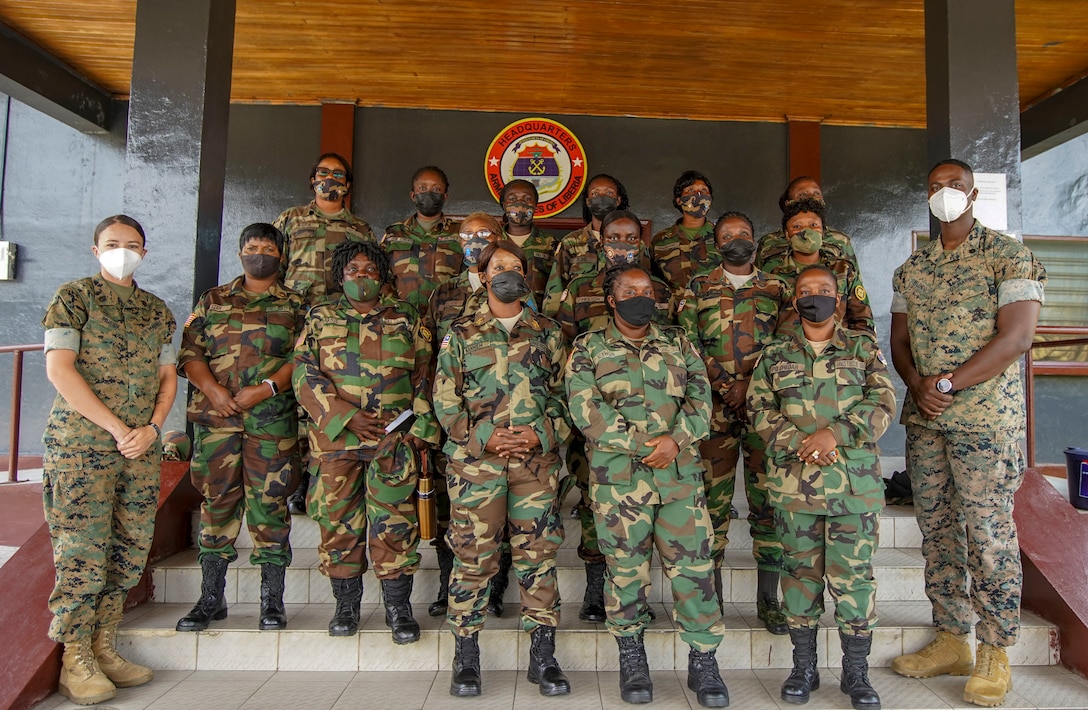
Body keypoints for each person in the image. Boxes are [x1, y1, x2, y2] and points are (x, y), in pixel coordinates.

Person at [889, 159, 1046, 708]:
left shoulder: (1008, 255)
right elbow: (900, 341)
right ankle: (951, 638)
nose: (944, 193)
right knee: (936, 530)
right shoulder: (913, 268)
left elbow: (1018, 336)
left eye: (954, 186)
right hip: (927, 419)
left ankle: (996, 651)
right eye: (935, 187)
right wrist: (918, 385)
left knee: (987, 533)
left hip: (984, 421)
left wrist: (949, 384)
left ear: (974, 193)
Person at [565, 265, 729, 708]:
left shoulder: (678, 342)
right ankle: (632, 659)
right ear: (612, 300)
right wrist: (644, 446)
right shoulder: (588, 348)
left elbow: (701, 399)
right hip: (620, 483)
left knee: (694, 571)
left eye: (648, 290)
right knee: (625, 572)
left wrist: (675, 441)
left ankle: (703, 660)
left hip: (679, 479)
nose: (642, 296)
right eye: (630, 291)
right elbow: (586, 409)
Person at [42, 215, 177, 705]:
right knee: (82, 552)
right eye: (113, 243)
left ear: (145, 250)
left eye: (133, 244)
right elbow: (60, 370)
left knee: (128, 548)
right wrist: (119, 428)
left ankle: (105, 645)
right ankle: (75, 659)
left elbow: (167, 378)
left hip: (139, 451)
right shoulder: (73, 298)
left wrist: (153, 427)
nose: (124, 250)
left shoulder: (156, 310)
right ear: (96, 249)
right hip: (82, 448)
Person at [748, 264, 895, 710]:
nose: (816, 296)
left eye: (825, 290)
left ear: (840, 297)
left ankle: (856, 672)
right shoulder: (774, 353)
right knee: (800, 577)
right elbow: (759, 406)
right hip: (797, 487)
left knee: (853, 580)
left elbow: (883, 401)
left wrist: (836, 434)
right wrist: (802, 442)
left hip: (853, 486)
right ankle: (804, 666)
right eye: (807, 290)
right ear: (794, 300)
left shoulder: (864, 347)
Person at [433, 241, 571, 698]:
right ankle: (466, 656)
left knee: (539, 556)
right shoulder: (461, 333)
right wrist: (483, 436)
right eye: (498, 267)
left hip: (535, 465)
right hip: (477, 466)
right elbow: (444, 399)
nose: (507, 272)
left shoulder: (548, 332)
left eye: (515, 266)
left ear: (527, 277)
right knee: (473, 558)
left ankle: (543, 655)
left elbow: (567, 397)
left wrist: (541, 434)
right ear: (483, 275)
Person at [293, 239, 439, 641]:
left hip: (393, 440)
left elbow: (427, 375)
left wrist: (420, 431)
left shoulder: (407, 317)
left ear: (383, 275)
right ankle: (346, 606)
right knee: (338, 524)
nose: (362, 276)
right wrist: (346, 417)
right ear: (341, 275)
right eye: (353, 270)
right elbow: (303, 374)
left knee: (394, 523)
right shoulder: (320, 317)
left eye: (370, 269)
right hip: (336, 441)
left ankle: (398, 608)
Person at [175, 223, 305, 633]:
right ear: (240, 253)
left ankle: (272, 602)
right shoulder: (212, 300)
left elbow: (303, 359)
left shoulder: (297, 304)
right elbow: (190, 351)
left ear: (281, 256)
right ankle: (211, 598)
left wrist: (265, 389)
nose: (260, 253)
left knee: (270, 508)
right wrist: (212, 390)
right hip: (217, 421)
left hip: (271, 422)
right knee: (217, 504)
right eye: (252, 246)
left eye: (268, 247)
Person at [552, 209, 673, 625]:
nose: (621, 244)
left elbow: (669, 349)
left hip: (651, 418)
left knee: (649, 508)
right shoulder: (578, 289)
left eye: (630, 237)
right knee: (594, 502)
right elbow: (561, 346)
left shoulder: (658, 290)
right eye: (613, 237)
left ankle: (635, 593)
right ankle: (594, 588)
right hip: (595, 417)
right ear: (599, 241)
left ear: (641, 243)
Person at [678, 210, 789, 633]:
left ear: (755, 239)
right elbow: (687, 341)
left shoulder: (778, 287)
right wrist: (726, 383)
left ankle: (769, 600)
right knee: (711, 505)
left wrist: (751, 384)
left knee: (769, 503)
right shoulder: (698, 286)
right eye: (728, 234)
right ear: (716, 242)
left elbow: (786, 339)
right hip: (713, 410)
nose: (736, 238)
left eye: (743, 232)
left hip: (766, 410)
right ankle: (714, 599)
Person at [274, 151, 375, 516]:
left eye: (337, 175)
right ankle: (298, 481)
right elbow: (275, 266)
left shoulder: (360, 229)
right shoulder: (290, 219)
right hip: (297, 322)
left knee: (331, 394)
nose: (329, 179)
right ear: (312, 179)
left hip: (339, 326)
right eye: (323, 173)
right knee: (299, 398)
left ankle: (320, 476)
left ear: (347, 185)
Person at [422, 212, 506, 619]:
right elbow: (429, 361)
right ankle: (447, 583)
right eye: (466, 234)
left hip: (507, 419)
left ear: (501, 237)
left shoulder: (517, 285)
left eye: (484, 233)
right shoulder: (443, 294)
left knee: (505, 508)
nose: (475, 240)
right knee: (450, 507)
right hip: (456, 422)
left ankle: (499, 585)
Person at [763, 197, 874, 337]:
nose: (806, 232)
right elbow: (765, 324)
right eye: (797, 227)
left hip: (838, 352)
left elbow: (862, 318)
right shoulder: (773, 273)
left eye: (813, 225)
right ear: (787, 234)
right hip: (788, 354)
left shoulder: (843, 269)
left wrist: (857, 350)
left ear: (823, 231)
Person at [542, 172, 630, 316]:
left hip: (624, 322)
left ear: (618, 200)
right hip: (580, 323)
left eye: (609, 193)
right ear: (588, 202)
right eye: (595, 193)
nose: (602, 197)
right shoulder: (571, 243)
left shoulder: (632, 242)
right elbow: (556, 287)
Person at [382, 164, 462, 316]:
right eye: (422, 188)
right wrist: (395, 310)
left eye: (436, 189)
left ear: (445, 196)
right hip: (401, 319)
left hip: (448, 320)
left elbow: (469, 277)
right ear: (413, 195)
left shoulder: (460, 233)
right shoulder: (394, 233)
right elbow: (382, 277)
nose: (429, 193)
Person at [755, 176, 860, 272]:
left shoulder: (840, 239)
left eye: (816, 193)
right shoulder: (769, 241)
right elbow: (758, 281)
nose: (811, 198)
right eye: (802, 194)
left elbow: (853, 279)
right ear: (788, 203)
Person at [651, 170, 718, 295]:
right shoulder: (660, 240)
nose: (698, 195)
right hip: (674, 312)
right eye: (690, 191)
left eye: (704, 191)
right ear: (679, 200)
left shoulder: (722, 236)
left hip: (714, 310)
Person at [499, 178, 557, 309]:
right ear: (504, 205)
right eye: (512, 199)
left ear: (535, 205)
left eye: (527, 199)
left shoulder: (551, 243)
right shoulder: (493, 242)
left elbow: (556, 286)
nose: (520, 204)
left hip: (538, 317)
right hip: (498, 316)